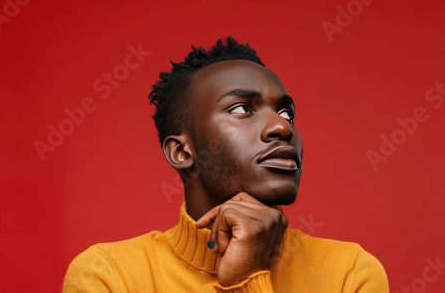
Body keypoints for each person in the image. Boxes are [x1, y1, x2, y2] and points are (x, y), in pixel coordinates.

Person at [63, 36, 389, 292]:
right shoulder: (110, 275)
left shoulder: (349, 273)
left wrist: (246, 280)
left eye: (287, 113)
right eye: (242, 110)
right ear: (182, 152)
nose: (282, 127)